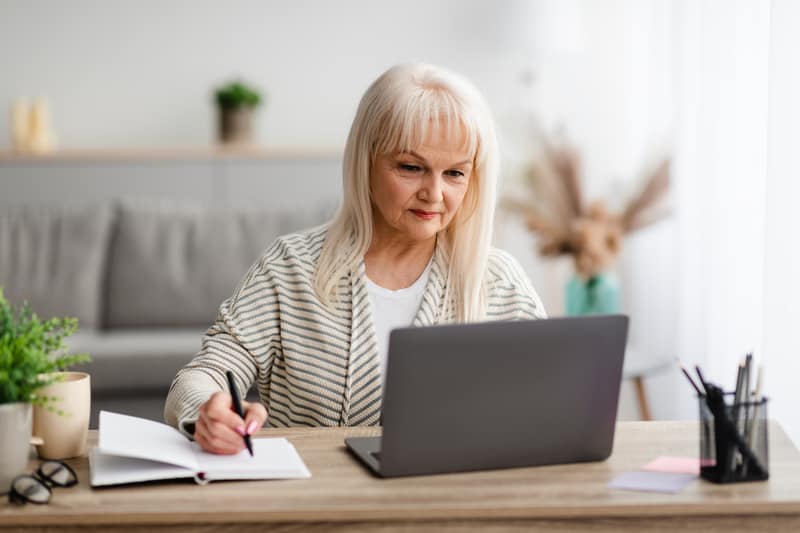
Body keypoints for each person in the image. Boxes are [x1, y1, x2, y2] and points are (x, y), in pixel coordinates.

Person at [164, 63, 547, 454]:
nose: (434, 193)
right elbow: (201, 376)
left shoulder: (499, 280)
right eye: (411, 168)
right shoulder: (289, 268)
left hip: (450, 503)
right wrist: (208, 414)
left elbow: (549, 400)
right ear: (365, 162)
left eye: (454, 174)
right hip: (314, 503)